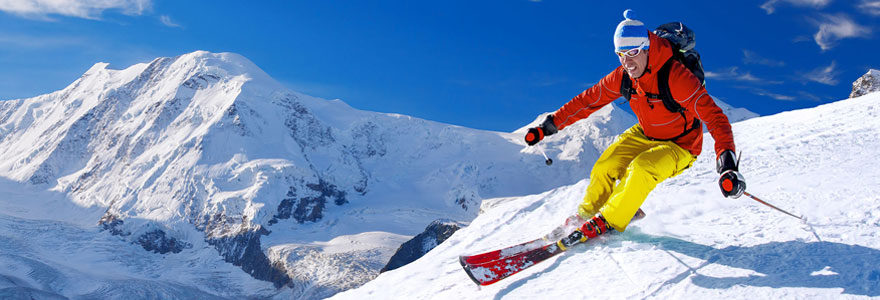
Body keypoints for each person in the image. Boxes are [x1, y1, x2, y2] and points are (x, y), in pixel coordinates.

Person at [524, 9, 746, 239]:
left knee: (641, 167)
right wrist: (546, 127)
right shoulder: (623, 76)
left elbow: (715, 118)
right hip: (645, 133)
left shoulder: (676, 77)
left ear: (647, 47)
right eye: (620, 54)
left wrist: (727, 162)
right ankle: (585, 215)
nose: (627, 62)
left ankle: (609, 221)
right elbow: (587, 100)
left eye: (632, 53)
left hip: (681, 144)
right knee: (605, 166)